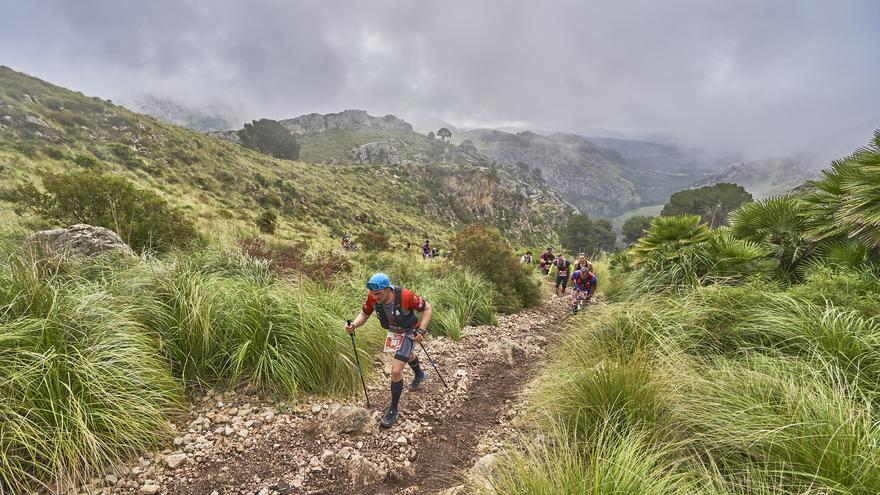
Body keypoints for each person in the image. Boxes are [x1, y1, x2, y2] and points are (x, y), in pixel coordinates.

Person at [346, 273, 433, 428]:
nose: (374, 296)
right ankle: (419, 374)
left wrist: (421, 331)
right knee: (407, 355)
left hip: (408, 332)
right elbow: (364, 314)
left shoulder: (406, 296)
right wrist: (353, 325)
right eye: (372, 293)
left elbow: (427, 308)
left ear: (388, 289)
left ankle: (393, 409)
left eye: (378, 293)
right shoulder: (373, 297)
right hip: (394, 333)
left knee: (395, 371)